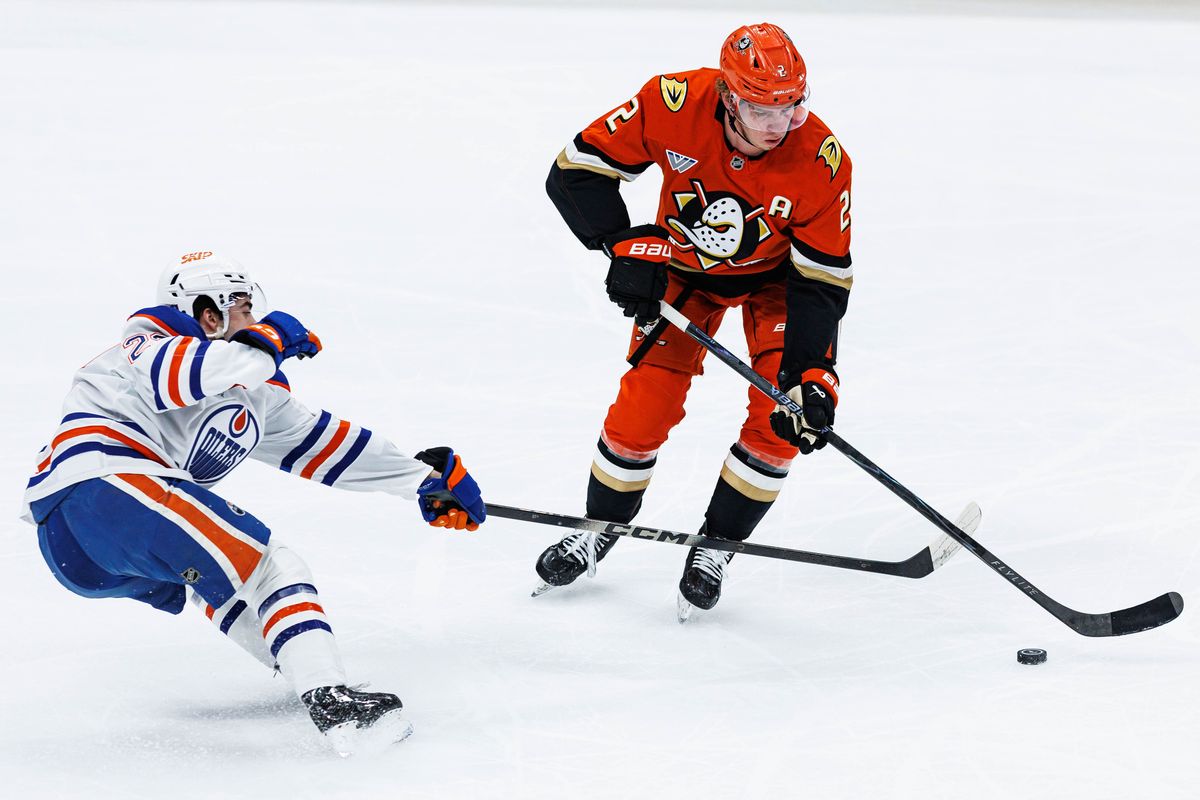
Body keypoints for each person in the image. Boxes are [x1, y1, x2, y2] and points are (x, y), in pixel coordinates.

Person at [21, 251, 486, 753]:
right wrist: (267, 345)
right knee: (270, 566)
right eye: (242, 306)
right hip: (107, 487)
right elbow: (183, 374)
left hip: (78, 543)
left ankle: (308, 670)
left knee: (221, 581)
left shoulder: (245, 391)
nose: (254, 318)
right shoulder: (145, 344)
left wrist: (423, 480)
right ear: (207, 312)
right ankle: (329, 696)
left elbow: (323, 444)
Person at [534, 23, 853, 619]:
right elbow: (574, 171)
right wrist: (623, 247)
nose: (775, 126)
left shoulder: (822, 160)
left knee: (780, 419)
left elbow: (822, 279)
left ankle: (716, 547)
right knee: (643, 406)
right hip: (682, 273)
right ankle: (601, 527)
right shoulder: (671, 100)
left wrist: (812, 371)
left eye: (789, 108)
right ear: (729, 96)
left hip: (778, 286)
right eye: (760, 108)